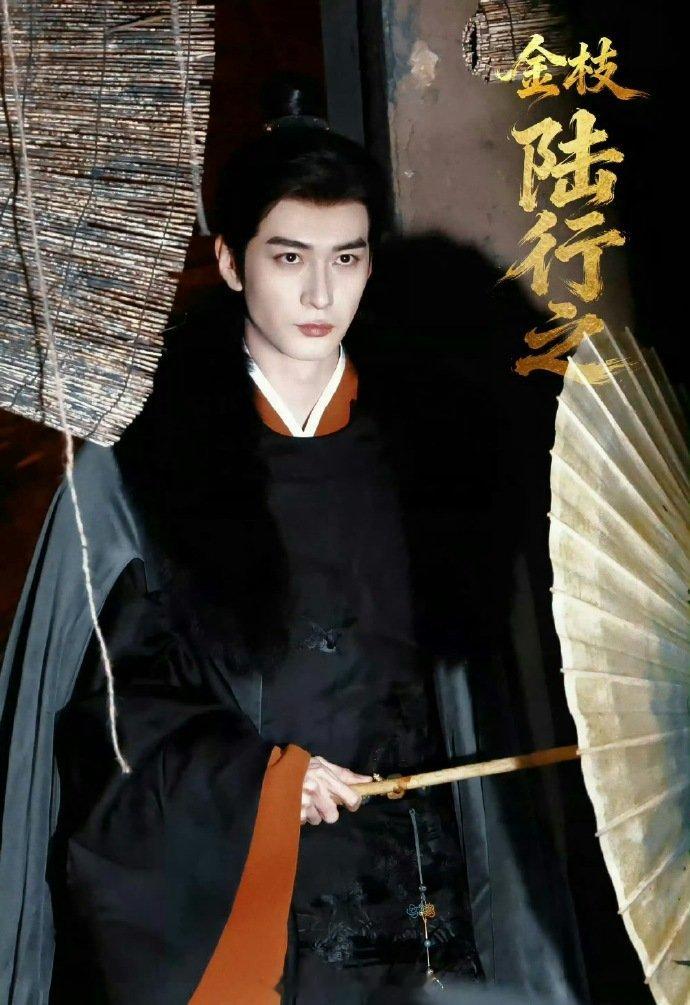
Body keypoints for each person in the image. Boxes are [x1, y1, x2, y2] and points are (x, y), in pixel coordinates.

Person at [0, 81, 588, 1005]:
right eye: (289, 257)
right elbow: (106, 725)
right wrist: (262, 783)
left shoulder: (433, 450)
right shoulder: (141, 468)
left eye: (346, 257)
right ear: (232, 263)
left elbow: (493, 695)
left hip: (431, 898)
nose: (321, 293)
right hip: (253, 902)